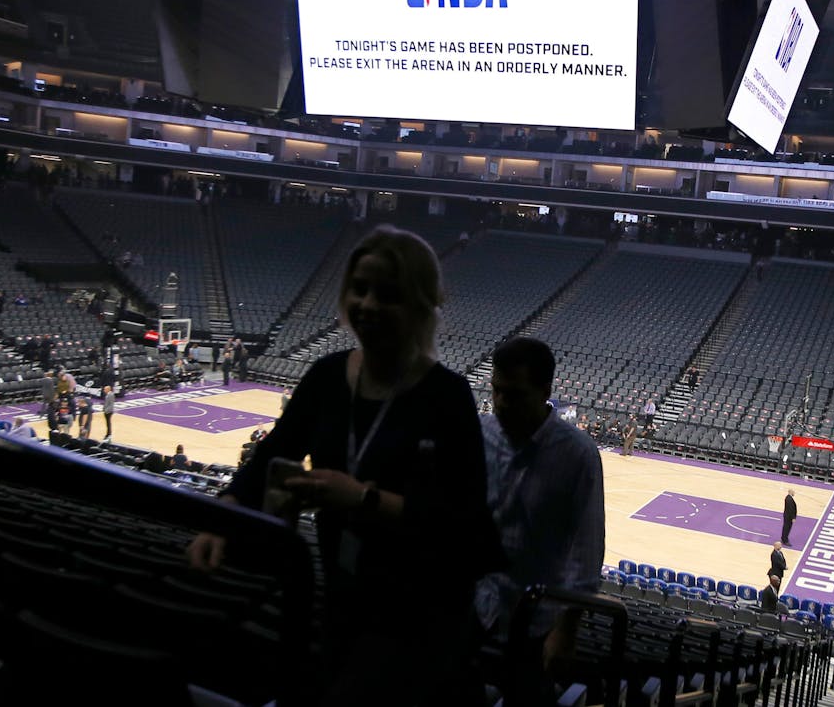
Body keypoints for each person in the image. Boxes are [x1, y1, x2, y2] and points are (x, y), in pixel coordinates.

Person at [186, 225, 497, 706]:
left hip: (421, 615)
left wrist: (364, 499)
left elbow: (467, 529)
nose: (368, 305)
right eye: (359, 288)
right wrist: (225, 514)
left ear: (419, 304)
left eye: (388, 294)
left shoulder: (448, 397)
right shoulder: (326, 376)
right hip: (342, 595)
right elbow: (273, 451)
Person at [476, 337, 605, 707]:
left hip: (534, 626)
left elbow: (586, 552)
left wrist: (565, 631)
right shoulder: (482, 432)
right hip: (476, 612)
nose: (500, 404)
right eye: (496, 391)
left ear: (545, 391)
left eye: (513, 395)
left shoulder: (578, 454)